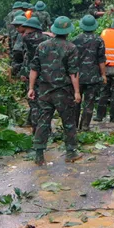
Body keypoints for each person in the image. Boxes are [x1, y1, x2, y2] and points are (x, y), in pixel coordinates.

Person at [28, 16, 82, 166]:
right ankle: (71, 152)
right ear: (68, 31)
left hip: (44, 90)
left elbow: (34, 68)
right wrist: (77, 92)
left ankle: (39, 154)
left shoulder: (42, 46)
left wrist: (31, 88)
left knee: (43, 121)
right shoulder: (71, 48)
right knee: (68, 121)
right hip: (63, 91)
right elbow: (73, 73)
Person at [73, 15, 107, 131]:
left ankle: (74, 126)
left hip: (77, 77)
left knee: (76, 101)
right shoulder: (98, 40)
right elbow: (101, 60)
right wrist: (103, 75)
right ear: (94, 27)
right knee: (89, 102)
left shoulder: (76, 39)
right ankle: (85, 126)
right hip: (92, 77)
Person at [20, 17, 51, 134]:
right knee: (45, 103)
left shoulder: (26, 39)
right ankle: (47, 130)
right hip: (45, 74)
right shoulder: (46, 38)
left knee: (34, 103)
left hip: (31, 73)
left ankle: (35, 130)